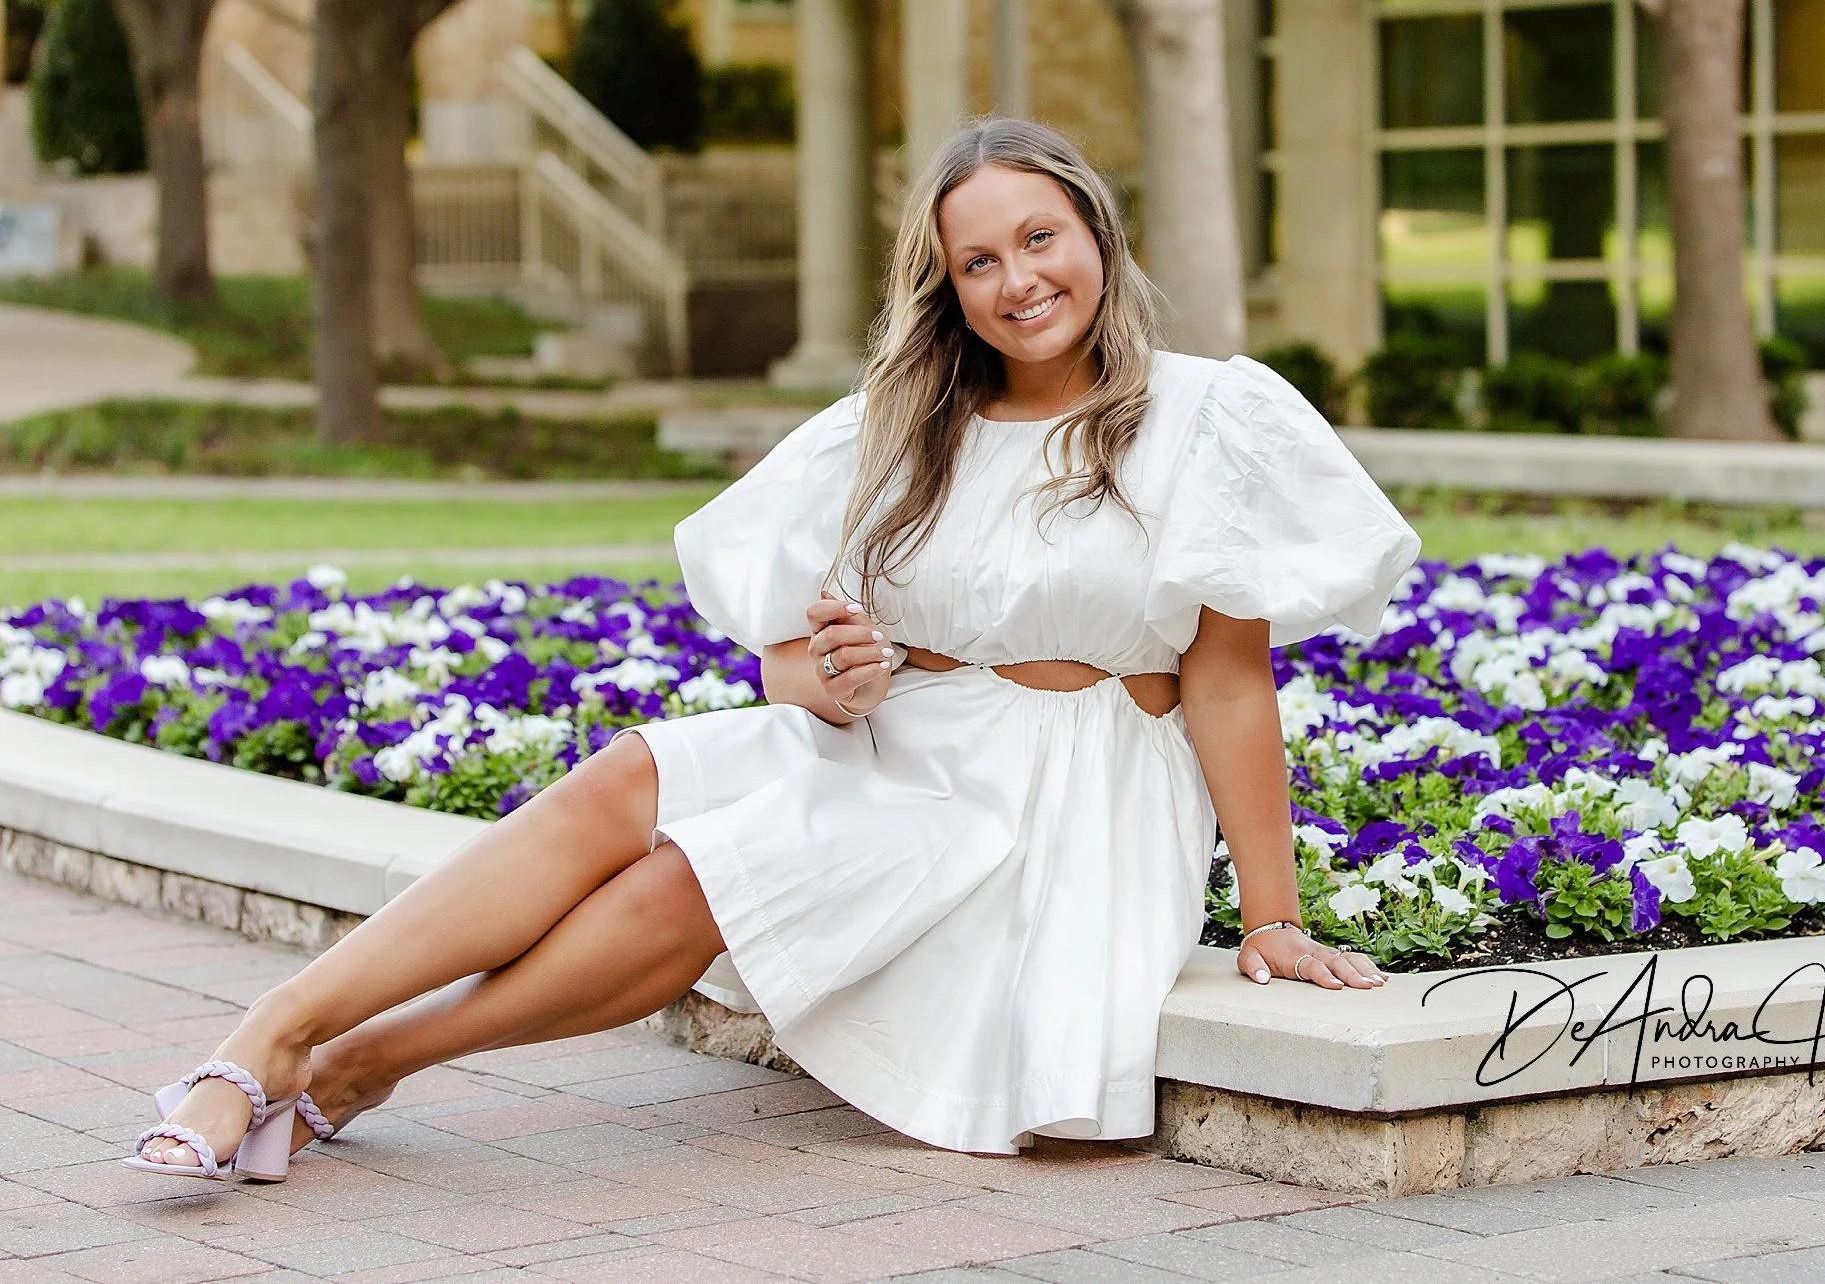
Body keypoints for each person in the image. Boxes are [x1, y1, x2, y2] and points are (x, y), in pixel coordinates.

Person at [125, 117, 1422, 1180]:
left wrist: (1273, 915)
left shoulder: (1203, 415)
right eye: (979, 262)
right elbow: (793, 667)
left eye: (1040, 238)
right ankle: (275, 1038)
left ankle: (359, 1061)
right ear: (947, 290)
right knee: (636, 774)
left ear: (1098, 233)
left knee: (692, 877)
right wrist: (835, 676)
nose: (1019, 281)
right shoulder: (908, 424)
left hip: (1067, 801)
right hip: (913, 743)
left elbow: (1228, 677)